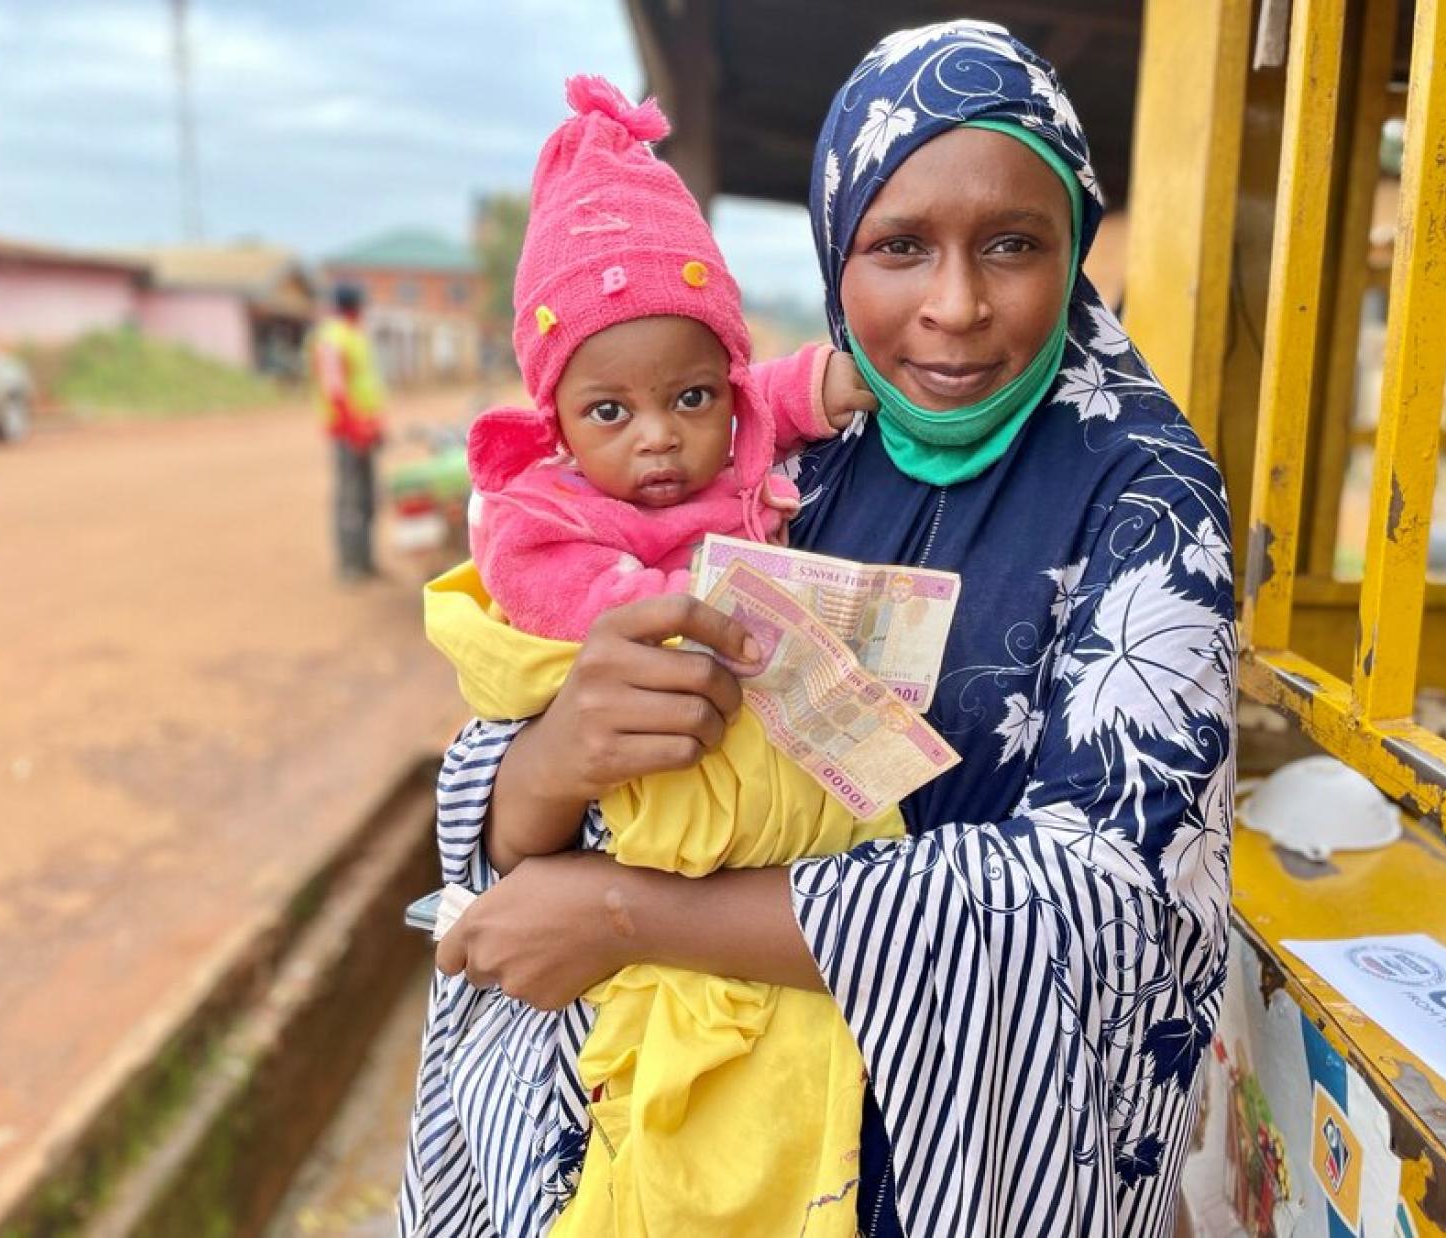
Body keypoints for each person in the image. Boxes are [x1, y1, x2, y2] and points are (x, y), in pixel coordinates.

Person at [400, 20, 1236, 1238]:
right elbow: (536, 797)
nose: (954, 307)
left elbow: (1112, 901)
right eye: (900, 247)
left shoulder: (1145, 497)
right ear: (837, 248)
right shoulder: (786, 449)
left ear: (1076, 247)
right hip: (693, 1135)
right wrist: (556, 756)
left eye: (1013, 243)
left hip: (960, 1166)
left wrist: (630, 913)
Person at [421, 76, 887, 1236]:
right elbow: (542, 589)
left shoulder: (736, 433)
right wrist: (650, 600)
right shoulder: (553, 509)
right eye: (611, 412)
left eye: (689, 397)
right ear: (556, 421)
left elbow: (776, 394)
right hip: (650, 725)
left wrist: (830, 384)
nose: (662, 440)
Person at [312, 282, 386, 580]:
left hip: (365, 428)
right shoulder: (332, 338)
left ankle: (366, 561)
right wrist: (354, 428)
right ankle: (349, 566)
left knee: (368, 496)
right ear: (354, 307)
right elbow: (335, 390)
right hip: (347, 431)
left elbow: (364, 386)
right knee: (349, 499)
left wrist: (375, 424)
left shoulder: (355, 336)